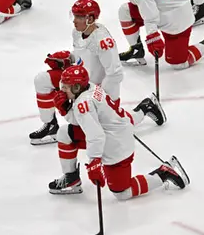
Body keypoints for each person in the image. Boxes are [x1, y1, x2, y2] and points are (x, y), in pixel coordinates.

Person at [29, 0, 164, 145]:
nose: (74, 21)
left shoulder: (103, 42)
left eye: (79, 17)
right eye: (74, 16)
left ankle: (145, 107)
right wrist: (68, 59)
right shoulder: (77, 32)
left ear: (91, 18)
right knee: (42, 80)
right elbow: (82, 56)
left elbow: (115, 73)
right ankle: (50, 126)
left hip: (99, 90)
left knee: (116, 128)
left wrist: (98, 97)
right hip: (78, 82)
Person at [47, 66, 189, 198]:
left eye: (66, 87)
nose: (62, 90)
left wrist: (94, 162)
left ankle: (163, 173)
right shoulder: (89, 87)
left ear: (77, 87)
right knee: (65, 133)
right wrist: (66, 109)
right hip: (117, 127)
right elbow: (84, 121)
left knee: (122, 192)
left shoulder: (83, 104)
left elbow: (95, 136)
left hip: (117, 144)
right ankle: (71, 178)